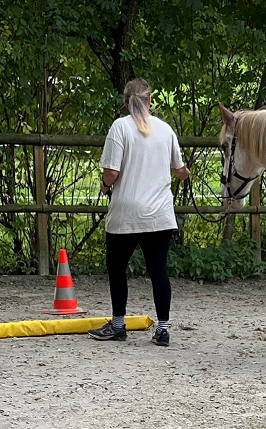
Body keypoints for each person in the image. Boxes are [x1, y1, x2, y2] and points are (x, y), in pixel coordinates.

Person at [88, 78, 190, 346]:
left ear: (125, 101)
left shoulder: (120, 127)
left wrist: (105, 185)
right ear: (150, 100)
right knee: (159, 271)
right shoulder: (166, 130)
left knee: (117, 268)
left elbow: (111, 172)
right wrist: (185, 173)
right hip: (159, 213)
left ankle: (119, 324)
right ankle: (164, 328)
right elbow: (179, 170)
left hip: (126, 213)